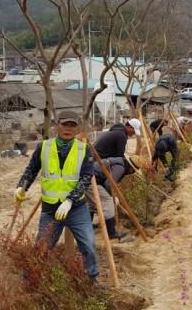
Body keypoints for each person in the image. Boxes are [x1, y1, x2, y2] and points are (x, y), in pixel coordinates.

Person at [13, 111, 99, 282]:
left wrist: (69, 200)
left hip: (76, 209)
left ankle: (92, 279)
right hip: (50, 209)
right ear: (56, 126)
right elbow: (31, 170)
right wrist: (21, 187)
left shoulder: (84, 150)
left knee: (89, 245)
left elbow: (86, 178)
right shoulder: (43, 147)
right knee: (41, 248)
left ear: (77, 129)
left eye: (72, 125)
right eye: (64, 124)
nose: (67, 129)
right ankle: (30, 281)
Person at [89, 118, 141, 241]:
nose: (133, 133)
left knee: (92, 202)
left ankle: (89, 226)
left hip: (93, 167)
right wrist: (113, 195)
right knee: (108, 202)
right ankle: (111, 233)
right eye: (133, 131)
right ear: (129, 127)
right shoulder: (121, 137)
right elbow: (109, 183)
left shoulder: (116, 132)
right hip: (94, 168)